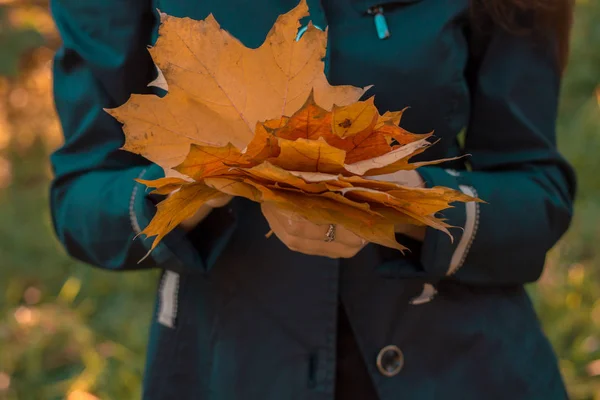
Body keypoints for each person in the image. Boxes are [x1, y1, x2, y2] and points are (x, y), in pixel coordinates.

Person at [49, 0, 577, 398]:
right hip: (229, 372)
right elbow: (81, 197)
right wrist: (186, 183)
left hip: (462, 370)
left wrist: (415, 207)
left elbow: (536, 190)